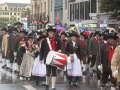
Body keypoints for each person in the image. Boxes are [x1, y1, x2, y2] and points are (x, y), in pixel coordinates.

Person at [40, 25, 61, 90]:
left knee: (54, 72)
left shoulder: (57, 40)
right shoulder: (44, 41)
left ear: (54, 33)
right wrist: (41, 58)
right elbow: (42, 50)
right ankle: (47, 83)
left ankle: (53, 86)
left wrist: (60, 50)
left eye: (52, 32)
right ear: (48, 33)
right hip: (47, 58)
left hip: (55, 58)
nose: (51, 33)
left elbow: (60, 48)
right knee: (48, 72)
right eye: (50, 32)